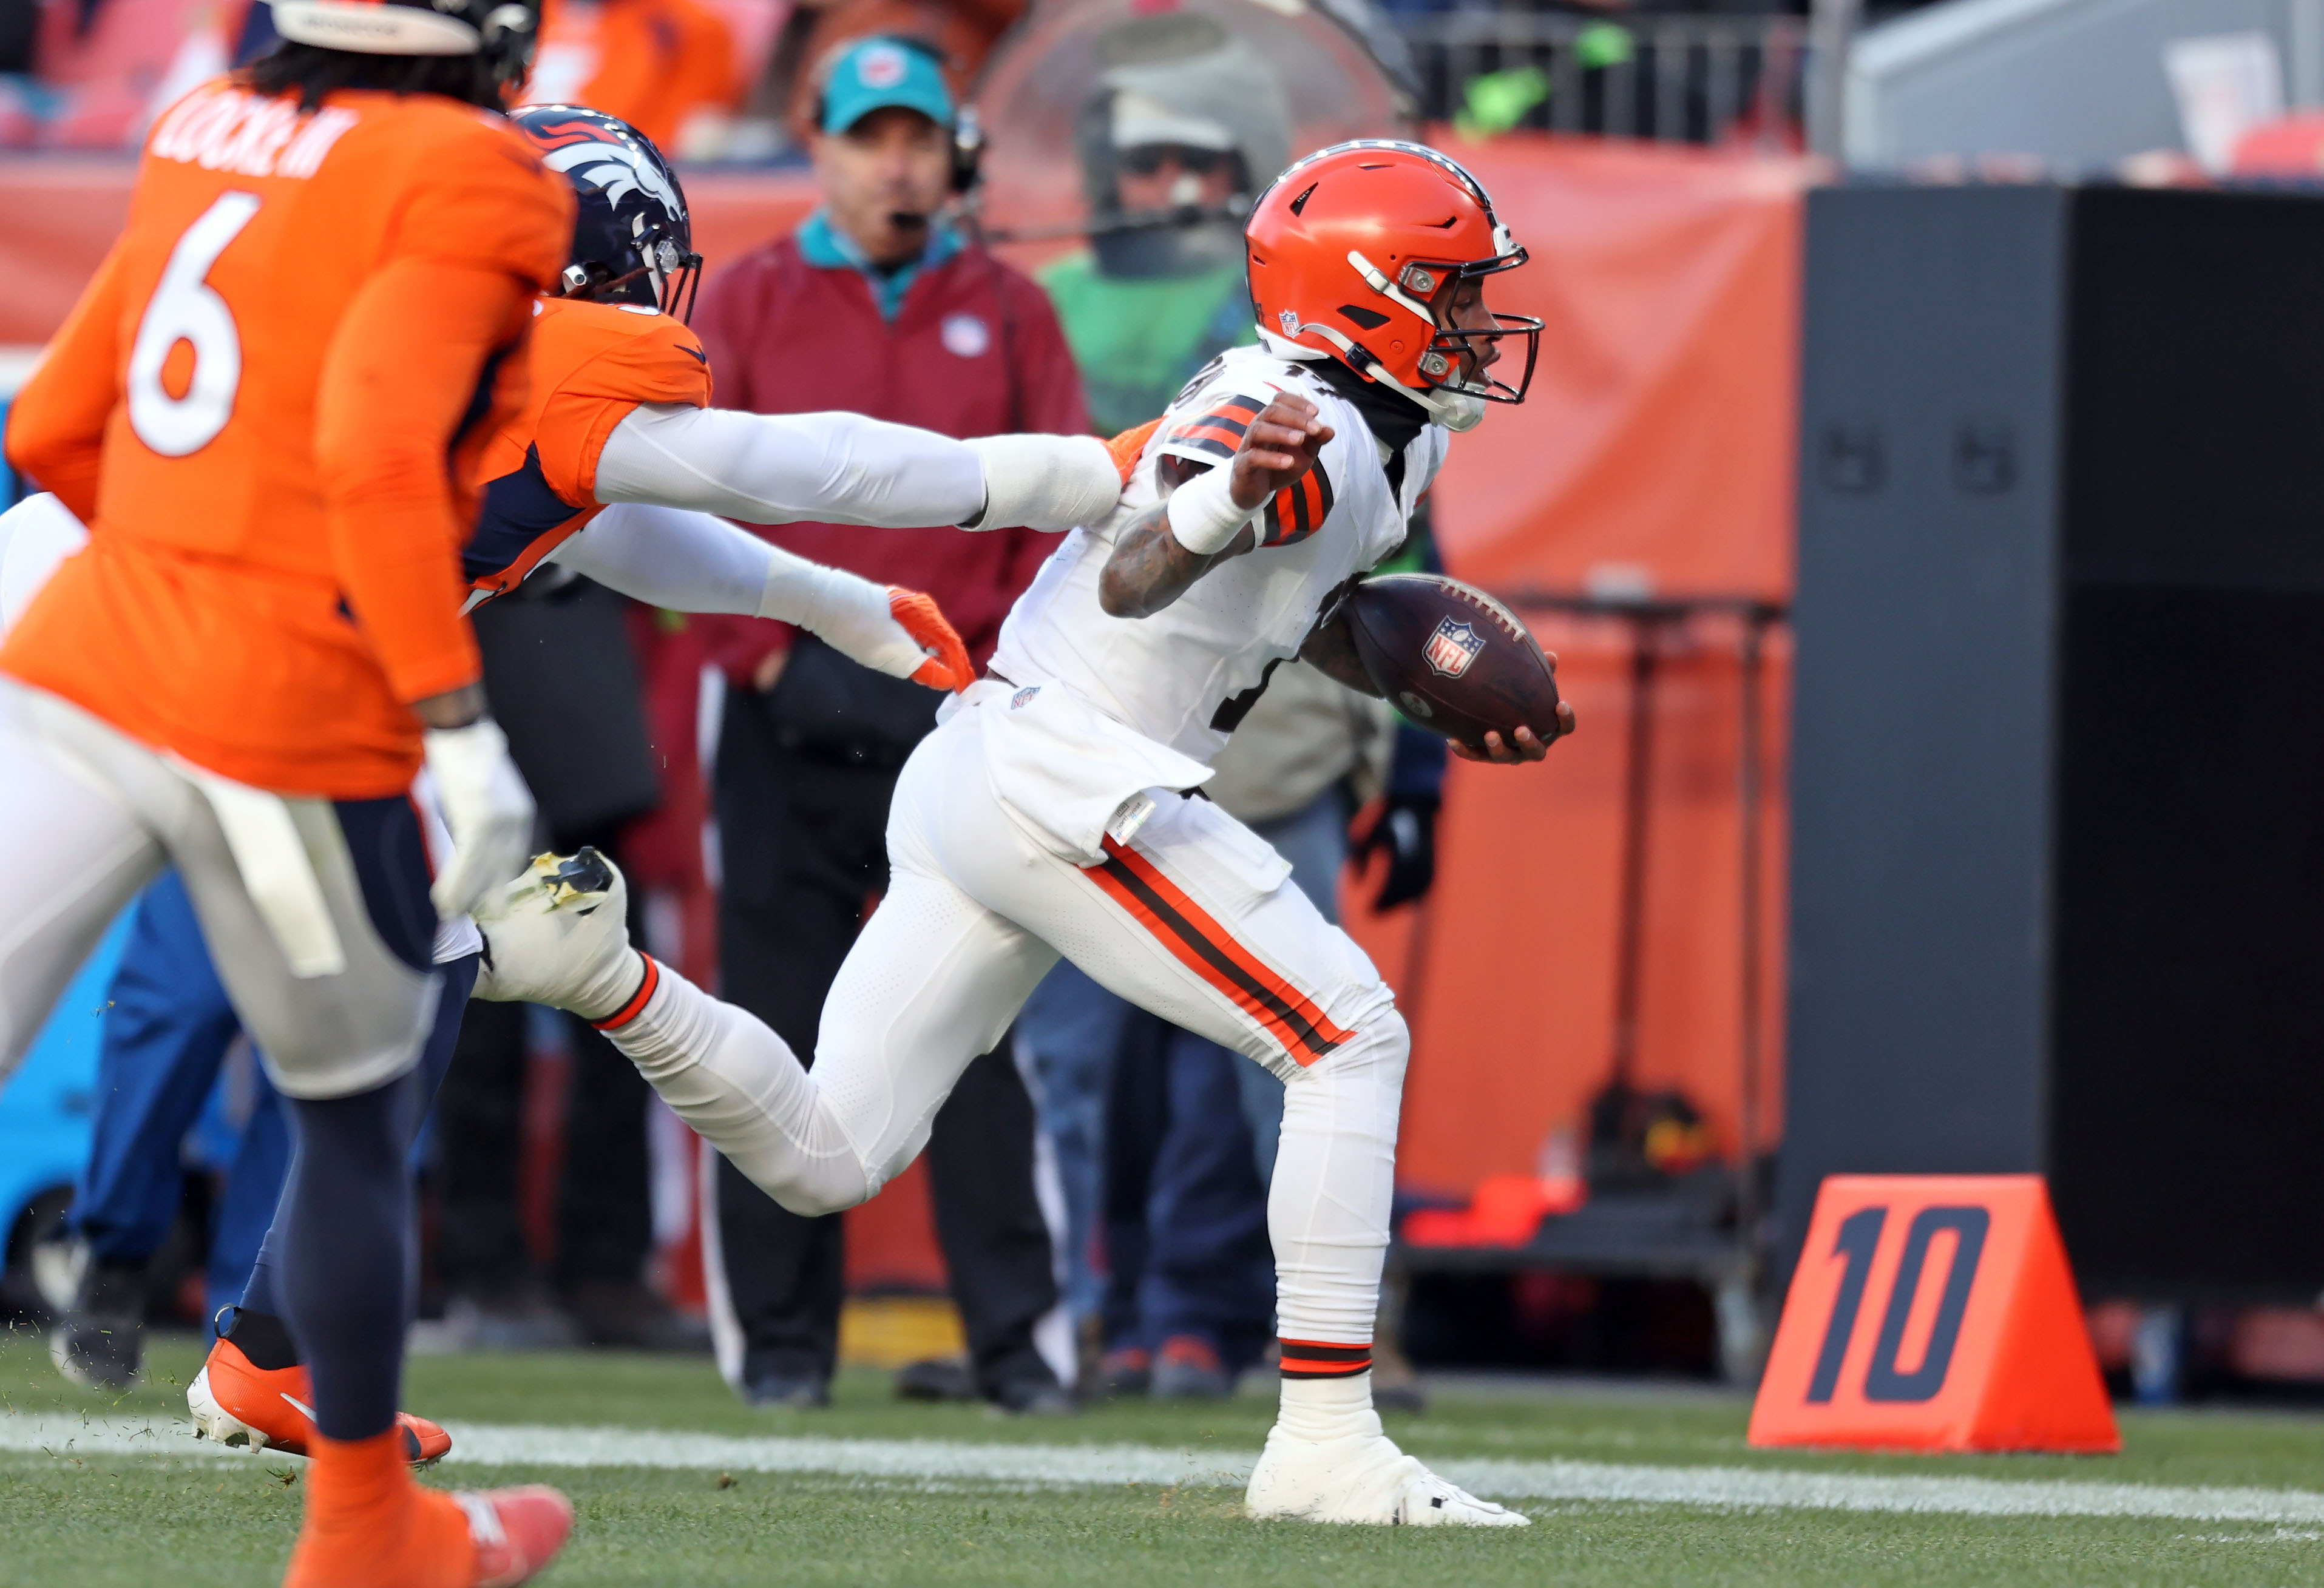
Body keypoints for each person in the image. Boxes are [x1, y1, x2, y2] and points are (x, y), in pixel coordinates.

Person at [0, 98, 1117, 1465]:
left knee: (435, 947)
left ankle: (273, 1355)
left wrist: (832, 604)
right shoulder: (549, 355)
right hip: (119, 637)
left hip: (136, 610)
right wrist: (1088, 472)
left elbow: (604, 519)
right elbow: (805, 461)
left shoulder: (440, 339)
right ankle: (271, 1355)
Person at [476, 139, 1576, 1528]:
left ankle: (599, 973)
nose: (1480, 320)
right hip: (1069, 776)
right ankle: (1326, 1442)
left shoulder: (1367, 422)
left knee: (826, 1156)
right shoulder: (1288, 414)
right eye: (1454, 289)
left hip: (989, 767)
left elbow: (1278, 608)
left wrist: (1405, 673)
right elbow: (1139, 571)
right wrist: (1225, 499)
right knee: (1349, 1033)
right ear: (1373, 295)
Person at [0, 0, 583, 1577]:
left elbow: (52, 423)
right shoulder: (475, 173)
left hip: (86, 661)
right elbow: (388, 461)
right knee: (348, 1112)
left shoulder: (197, 130)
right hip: (285, 714)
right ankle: (362, 1527)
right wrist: (457, 729)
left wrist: (193, 541)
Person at [687, 33, 1093, 1414]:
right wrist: (752, 656)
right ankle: (782, 1347)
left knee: (973, 1030)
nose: (895, 162)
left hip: (957, 706)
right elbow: (671, 492)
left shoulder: (1010, 309)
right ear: (820, 145)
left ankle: (1017, 1343)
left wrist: (994, 673)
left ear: (951, 151)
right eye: (871, 137)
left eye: (917, 136)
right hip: (781, 711)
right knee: (769, 1023)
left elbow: (1066, 515)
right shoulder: (745, 296)